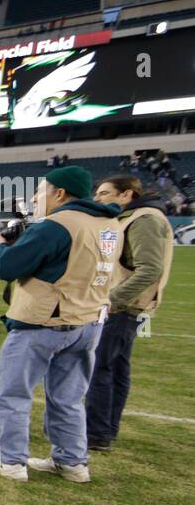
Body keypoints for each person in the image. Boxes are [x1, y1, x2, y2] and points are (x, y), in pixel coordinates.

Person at [0, 166, 123, 483]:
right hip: (88, 321)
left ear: (60, 194)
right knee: (69, 397)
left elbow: (7, 267)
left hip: (47, 320)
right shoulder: (111, 222)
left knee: (12, 394)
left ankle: (11, 460)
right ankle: (71, 461)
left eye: (40, 190)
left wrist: (3, 244)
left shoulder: (58, 225)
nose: (34, 197)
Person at [84, 176, 174, 451]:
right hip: (126, 305)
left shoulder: (145, 218)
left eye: (104, 193)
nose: (98, 198)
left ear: (126, 194)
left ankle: (96, 432)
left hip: (122, 307)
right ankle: (105, 430)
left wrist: (111, 300)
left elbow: (149, 269)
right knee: (115, 368)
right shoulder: (137, 216)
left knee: (101, 367)